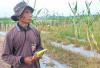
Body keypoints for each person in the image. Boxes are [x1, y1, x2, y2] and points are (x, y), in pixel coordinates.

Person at [2, 2, 43, 68]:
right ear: (18, 16)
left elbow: (40, 47)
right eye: (26, 12)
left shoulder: (35, 31)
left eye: (31, 12)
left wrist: (38, 53)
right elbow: (5, 56)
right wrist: (22, 60)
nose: (30, 15)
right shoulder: (10, 34)